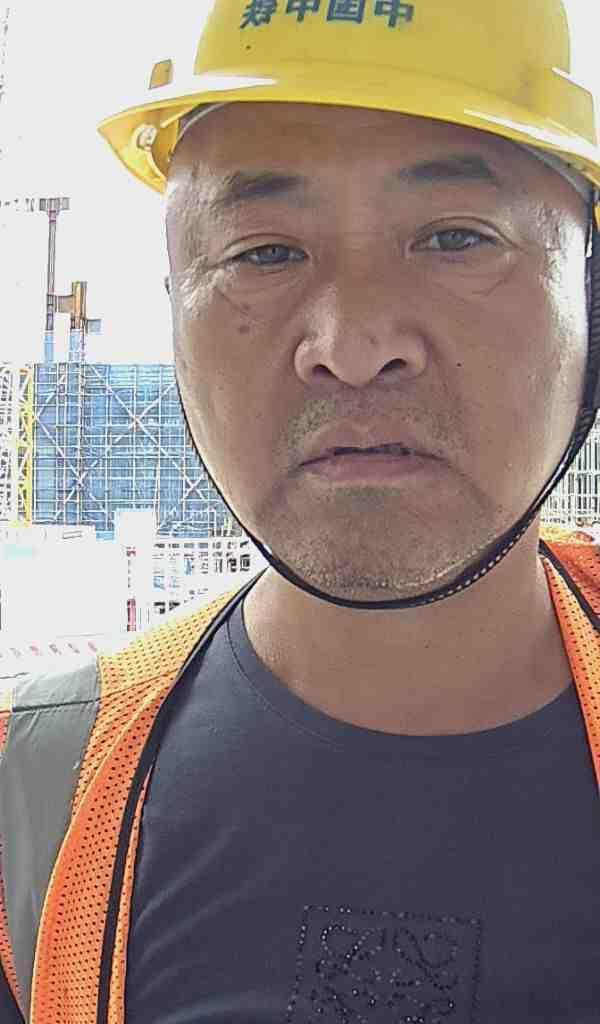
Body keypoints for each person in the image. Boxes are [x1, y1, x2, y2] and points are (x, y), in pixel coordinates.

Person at [2, 1, 600, 1021]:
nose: (353, 346)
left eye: (456, 238)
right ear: (173, 306)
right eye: (263, 253)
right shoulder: (32, 808)